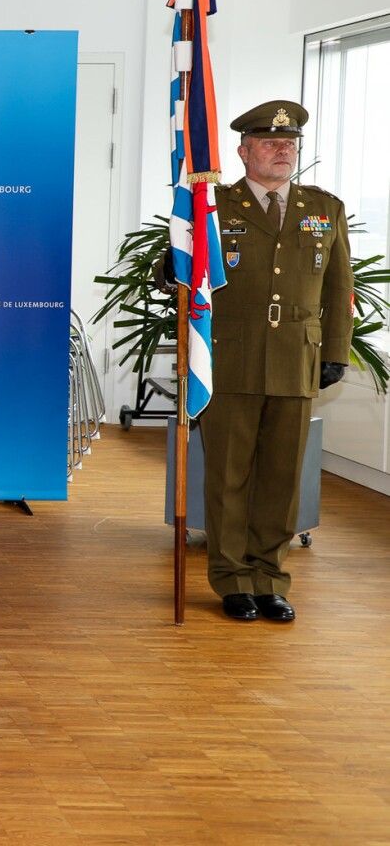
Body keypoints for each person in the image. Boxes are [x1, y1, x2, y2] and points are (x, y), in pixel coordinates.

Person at [202, 99, 351, 622]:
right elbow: (176, 269)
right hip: (231, 359)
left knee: (281, 478)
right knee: (228, 476)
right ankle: (231, 579)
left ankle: (268, 579)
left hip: (296, 358)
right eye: (270, 143)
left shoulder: (324, 208)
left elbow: (340, 286)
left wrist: (335, 353)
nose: (282, 150)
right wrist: (174, 260)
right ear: (244, 152)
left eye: (289, 144)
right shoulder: (214, 206)